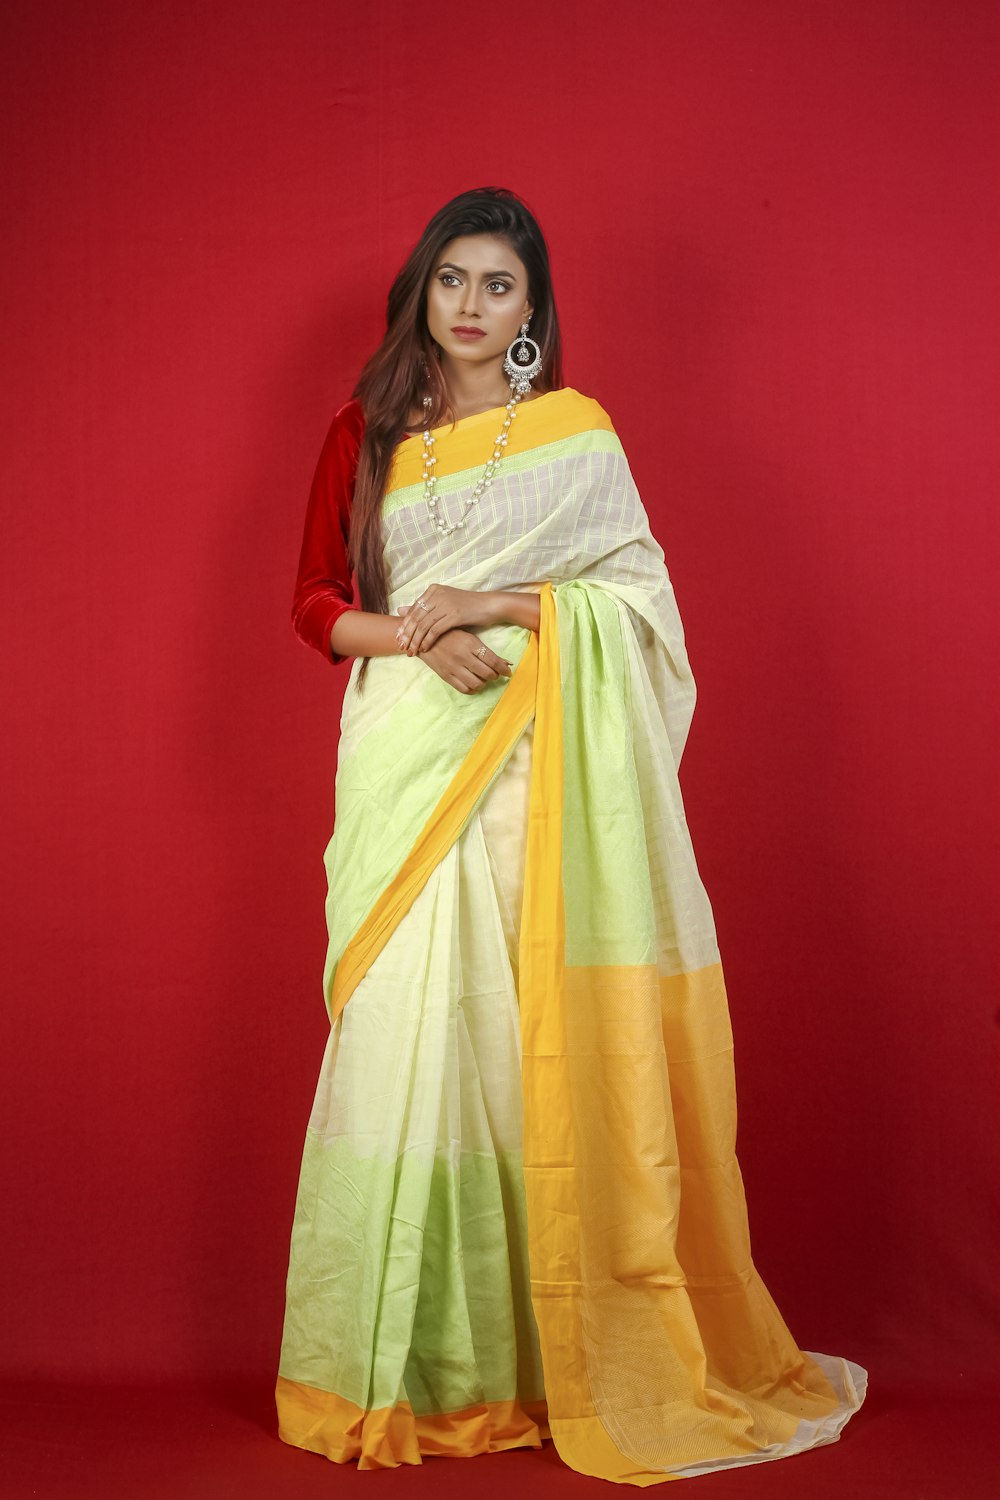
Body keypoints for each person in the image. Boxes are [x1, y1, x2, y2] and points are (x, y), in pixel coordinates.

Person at [275, 186, 868, 1484]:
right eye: (454, 281)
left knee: (514, 1050)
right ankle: (423, 1373)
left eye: (501, 287)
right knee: (405, 1047)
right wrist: (419, 635)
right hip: (404, 762)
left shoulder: (574, 437)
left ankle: (561, 1356)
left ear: (533, 311)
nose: (475, 306)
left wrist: (491, 598)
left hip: (539, 779)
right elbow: (317, 601)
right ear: (420, 291)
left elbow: (635, 602)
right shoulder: (361, 429)